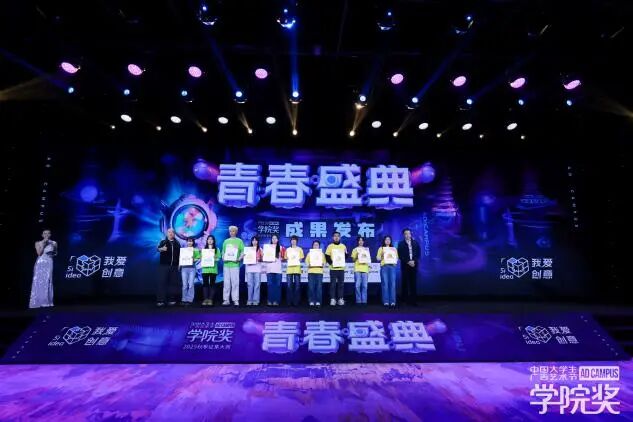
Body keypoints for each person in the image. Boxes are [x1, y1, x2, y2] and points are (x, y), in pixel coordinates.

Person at [29, 229, 57, 308]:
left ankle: (47, 301)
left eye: (48, 233)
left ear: (50, 235)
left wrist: (53, 253)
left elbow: (55, 252)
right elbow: (39, 253)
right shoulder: (38, 243)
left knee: (48, 280)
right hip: (40, 263)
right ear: (42, 235)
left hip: (49, 262)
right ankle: (37, 301)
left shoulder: (54, 243)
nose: (46, 235)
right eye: (45, 233)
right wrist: (44, 244)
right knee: (38, 281)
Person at [157, 228, 181, 307]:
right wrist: (161, 249)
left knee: (173, 283)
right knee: (162, 283)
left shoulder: (177, 243)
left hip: (174, 266)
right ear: (167, 233)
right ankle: (161, 300)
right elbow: (157, 249)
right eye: (169, 232)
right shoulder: (163, 242)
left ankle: (171, 299)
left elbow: (180, 255)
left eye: (172, 232)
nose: (171, 233)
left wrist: (179, 264)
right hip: (164, 266)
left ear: (174, 234)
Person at [397, 228, 421, 306]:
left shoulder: (415, 243)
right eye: (406, 234)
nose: (407, 235)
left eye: (408, 233)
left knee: (413, 283)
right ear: (403, 235)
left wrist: (414, 261)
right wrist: (408, 261)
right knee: (405, 283)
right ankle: (405, 300)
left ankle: (413, 301)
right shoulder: (400, 244)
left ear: (411, 234)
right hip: (405, 265)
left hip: (414, 265)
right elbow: (400, 255)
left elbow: (418, 253)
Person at [221, 225, 244, 306]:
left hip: (235, 265)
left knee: (235, 283)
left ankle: (235, 300)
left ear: (236, 232)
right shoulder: (226, 241)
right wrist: (223, 258)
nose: (231, 232)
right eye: (230, 231)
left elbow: (242, 252)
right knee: (226, 283)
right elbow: (223, 252)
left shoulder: (239, 241)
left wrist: (239, 259)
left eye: (233, 231)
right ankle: (226, 299)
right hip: (226, 265)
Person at [325, 231, 347, 306]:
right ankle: (333, 299)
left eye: (338, 236)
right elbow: (327, 256)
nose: (336, 237)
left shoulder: (343, 246)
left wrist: (345, 253)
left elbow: (346, 256)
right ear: (333, 237)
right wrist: (332, 263)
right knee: (333, 285)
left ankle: (340, 299)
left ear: (340, 237)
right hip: (333, 269)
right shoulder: (330, 246)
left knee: (341, 285)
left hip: (341, 269)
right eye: (335, 236)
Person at [377, 235, 398, 308]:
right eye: (386, 239)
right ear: (384, 241)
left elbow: (397, 258)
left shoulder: (394, 249)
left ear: (391, 241)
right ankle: (385, 301)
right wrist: (382, 255)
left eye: (389, 239)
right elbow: (378, 258)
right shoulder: (381, 248)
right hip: (384, 267)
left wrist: (394, 259)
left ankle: (393, 301)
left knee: (393, 284)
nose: (387, 241)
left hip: (392, 267)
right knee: (385, 284)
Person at [284, 235, 304, 307]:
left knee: (297, 286)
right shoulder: (288, 249)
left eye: (295, 240)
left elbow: (301, 258)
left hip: (297, 269)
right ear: (290, 241)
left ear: (297, 241)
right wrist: (291, 259)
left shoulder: (299, 249)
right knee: (289, 286)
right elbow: (286, 258)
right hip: (289, 269)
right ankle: (289, 301)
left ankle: (296, 301)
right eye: (292, 240)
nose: (293, 241)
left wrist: (296, 259)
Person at [265, 234, 285, 306]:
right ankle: (270, 300)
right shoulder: (267, 248)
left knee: (277, 285)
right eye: (272, 238)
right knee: (270, 285)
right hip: (269, 269)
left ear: (277, 240)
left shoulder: (281, 248)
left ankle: (276, 301)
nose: (274, 240)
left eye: (275, 238)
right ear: (271, 239)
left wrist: (280, 258)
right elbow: (264, 258)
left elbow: (284, 258)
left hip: (278, 269)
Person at [201, 235, 220, 306]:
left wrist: (215, 258)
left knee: (212, 284)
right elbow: (201, 258)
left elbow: (219, 258)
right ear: (207, 240)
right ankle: (205, 299)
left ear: (213, 241)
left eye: (211, 239)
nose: (210, 240)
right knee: (205, 284)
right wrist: (202, 257)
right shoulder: (204, 249)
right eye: (208, 239)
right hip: (205, 269)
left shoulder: (217, 249)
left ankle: (210, 299)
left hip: (213, 269)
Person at [305, 240, 325, 308]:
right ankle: (311, 301)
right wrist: (309, 264)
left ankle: (318, 301)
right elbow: (306, 262)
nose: (315, 246)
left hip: (319, 272)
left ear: (319, 246)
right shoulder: (309, 253)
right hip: (311, 272)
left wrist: (322, 264)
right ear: (312, 246)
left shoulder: (321, 254)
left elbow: (324, 263)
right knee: (311, 287)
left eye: (317, 245)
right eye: (314, 245)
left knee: (319, 287)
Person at [179, 237, 199, 306]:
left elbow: (198, 258)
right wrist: (179, 265)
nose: (190, 242)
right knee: (184, 285)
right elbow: (181, 258)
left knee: (191, 284)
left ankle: (190, 299)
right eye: (188, 241)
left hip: (192, 269)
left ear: (193, 242)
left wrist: (194, 259)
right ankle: (184, 299)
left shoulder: (195, 250)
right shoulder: (183, 250)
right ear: (186, 242)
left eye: (191, 241)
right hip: (184, 268)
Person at [351, 236, 370, 305]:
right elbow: (353, 260)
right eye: (359, 240)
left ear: (363, 242)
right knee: (357, 285)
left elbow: (368, 259)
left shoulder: (366, 249)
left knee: (365, 286)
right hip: (357, 268)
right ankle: (358, 301)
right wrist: (357, 254)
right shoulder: (355, 249)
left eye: (362, 240)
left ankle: (364, 301)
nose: (361, 241)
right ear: (357, 242)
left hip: (365, 268)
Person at [245, 236, 263, 306]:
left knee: (257, 285)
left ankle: (256, 300)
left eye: (256, 240)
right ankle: (249, 300)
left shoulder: (260, 249)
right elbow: (245, 258)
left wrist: (260, 258)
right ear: (251, 241)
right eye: (253, 240)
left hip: (257, 269)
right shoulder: (248, 249)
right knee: (250, 285)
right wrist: (244, 256)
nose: (254, 242)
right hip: (249, 269)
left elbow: (263, 259)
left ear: (258, 241)